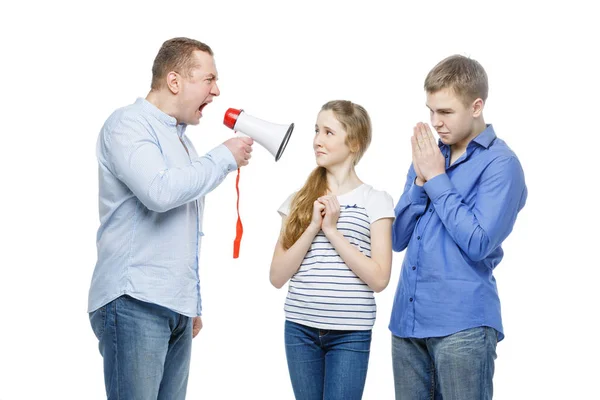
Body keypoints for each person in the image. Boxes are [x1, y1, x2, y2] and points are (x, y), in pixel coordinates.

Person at [87, 37, 254, 400]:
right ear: (175, 81)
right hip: (134, 301)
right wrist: (223, 157)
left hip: (173, 307)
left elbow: (182, 231)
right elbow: (159, 193)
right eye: (209, 80)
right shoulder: (127, 124)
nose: (217, 90)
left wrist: (188, 302)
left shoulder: (182, 143)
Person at [389, 55, 528, 399]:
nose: (435, 122)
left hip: (463, 327)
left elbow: (479, 242)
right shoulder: (429, 154)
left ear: (476, 106)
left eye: (446, 112)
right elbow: (397, 238)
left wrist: (436, 178)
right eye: (430, 111)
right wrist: (421, 181)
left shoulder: (502, 164)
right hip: (407, 322)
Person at [270, 100, 394, 400]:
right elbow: (277, 275)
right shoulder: (298, 200)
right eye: (316, 130)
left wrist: (332, 231)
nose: (316, 140)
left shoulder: (376, 201)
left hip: (350, 333)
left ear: (354, 142)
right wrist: (313, 226)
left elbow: (379, 279)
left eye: (328, 132)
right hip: (300, 329)